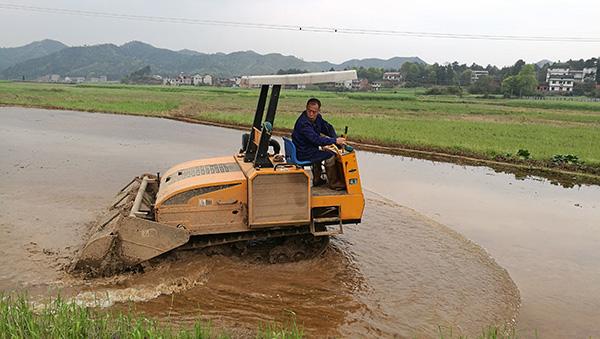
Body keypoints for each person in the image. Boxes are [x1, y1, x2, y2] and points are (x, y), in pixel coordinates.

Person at [291, 98, 346, 190]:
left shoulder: (318, 118)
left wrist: (336, 139)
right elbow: (316, 139)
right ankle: (334, 183)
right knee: (330, 155)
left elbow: (328, 128)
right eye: (309, 111)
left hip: (309, 149)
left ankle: (317, 179)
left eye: (314, 111)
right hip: (303, 152)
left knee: (322, 152)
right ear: (306, 108)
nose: (311, 114)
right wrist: (335, 141)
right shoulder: (303, 123)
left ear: (318, 111)